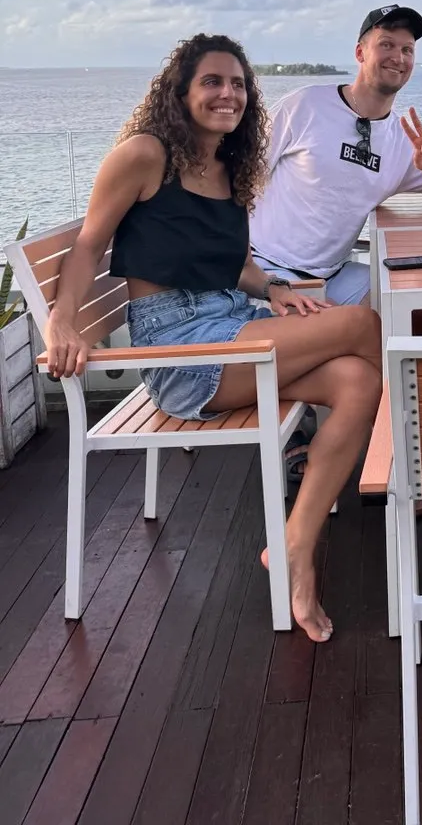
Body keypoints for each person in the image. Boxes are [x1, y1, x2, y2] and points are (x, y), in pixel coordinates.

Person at [42, 34, 383, 644]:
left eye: (238, 84)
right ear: (181, 92)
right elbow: (89, 245)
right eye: (212, 82)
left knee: (357, 380)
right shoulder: (145, 155)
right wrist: (62, 322)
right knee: (360, 324)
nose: (229, 94)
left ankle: (295, 545)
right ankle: (406, 461)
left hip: (230, 326)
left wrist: (274, 288)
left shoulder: (229, 167)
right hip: (180, 352)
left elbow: (235, 263)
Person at [250, 5, 422, 322]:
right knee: (343, 331)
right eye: (386, 44)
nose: (398, 57)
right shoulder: (304, 106)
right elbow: (240, 176)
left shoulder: (403, 142)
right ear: (360, 53)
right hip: (266, 267)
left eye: (407, 49)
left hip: (333, 274)